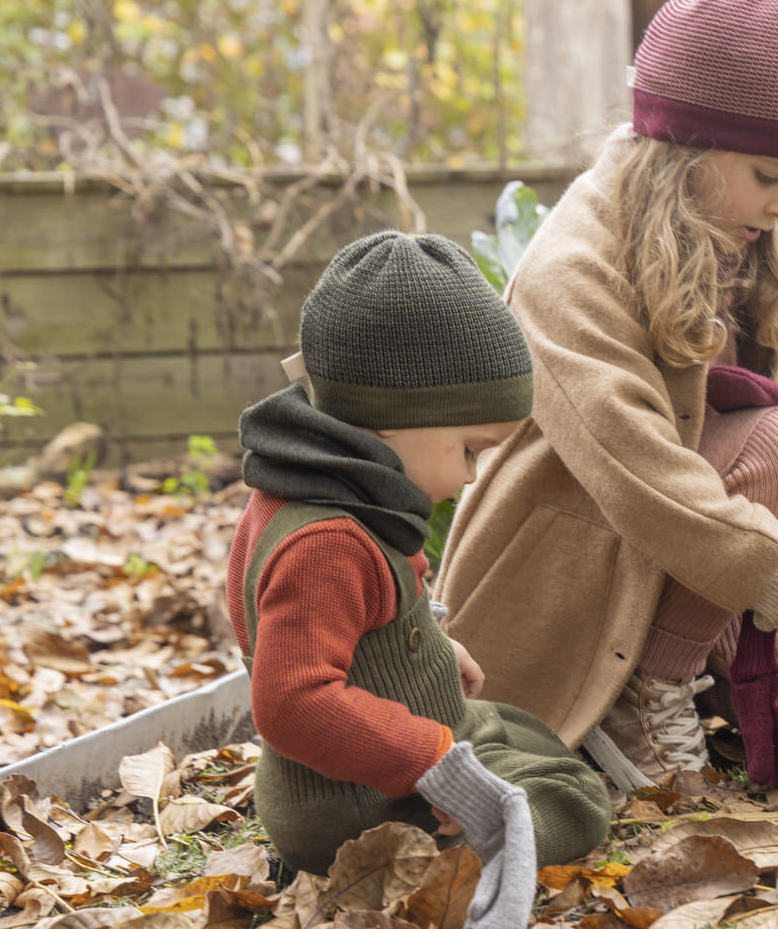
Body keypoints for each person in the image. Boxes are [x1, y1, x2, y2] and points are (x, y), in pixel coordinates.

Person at [433, 0, 778, 792]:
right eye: (768, 176)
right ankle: (643, 693)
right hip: (568, 558)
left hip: (675, 548)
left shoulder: (721, 236)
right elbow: (641, 474)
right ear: (683, 145)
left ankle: (681, 669)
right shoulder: (572, 266)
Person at [225, 231, 611, 926]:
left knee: (526, 733)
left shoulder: (319, 489)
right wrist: (432, 759)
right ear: (394, 421)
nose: (468, 475)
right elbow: (288, 700)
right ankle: (439, 863)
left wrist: (428, 641)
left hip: (366, 763)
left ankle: (430, 828)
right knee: (571, 798)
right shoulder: (327, 542)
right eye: (468, 450)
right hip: (354, 796)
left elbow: (358, 618)